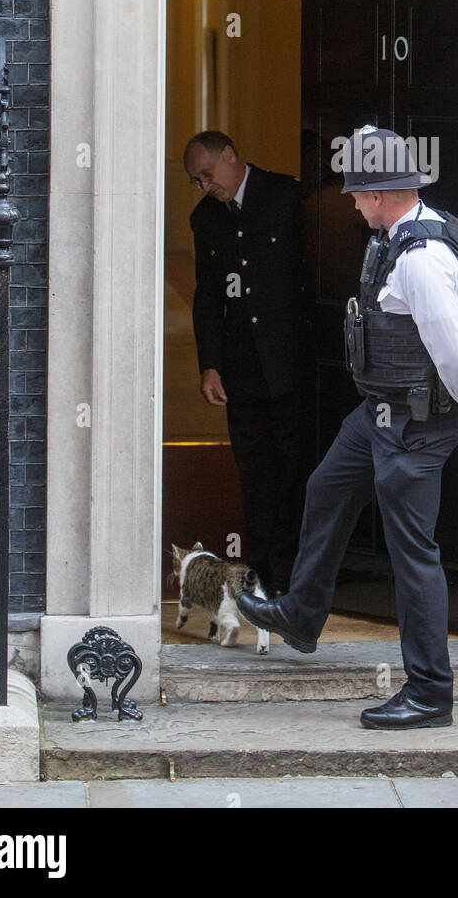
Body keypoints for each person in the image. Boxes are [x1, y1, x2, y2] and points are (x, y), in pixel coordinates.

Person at [238, 124, 458, 730]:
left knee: (413, 554)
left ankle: (430, 691)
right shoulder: (397, 237)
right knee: (327, 488)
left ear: (380, 195)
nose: (350, 201)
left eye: (356, 193)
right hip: (378, 414)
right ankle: (302, 613)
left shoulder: (423, 260)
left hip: (417, 421)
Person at [183, 130, 305, 596]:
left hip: (292, 362)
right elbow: (208, 297)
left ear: (231, 155)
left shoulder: (286, 195)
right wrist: (209, 364)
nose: (206, 186)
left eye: (208, 174)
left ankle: (295, 575)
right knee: (254, 472)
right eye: (198, 180)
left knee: (295, 470)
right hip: (242, 369)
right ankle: (263, 574)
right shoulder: (205, 219)